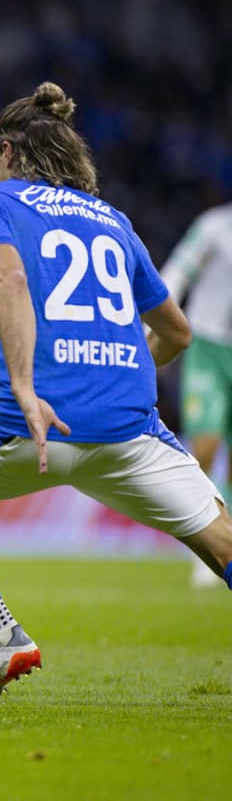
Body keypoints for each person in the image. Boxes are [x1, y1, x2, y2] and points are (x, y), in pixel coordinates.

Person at [0, 82, 232, 703]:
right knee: (221, 540)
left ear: (9, 151)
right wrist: (122, 375)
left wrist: (22, 385)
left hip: (26, 424)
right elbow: (176, 331)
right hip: (131, 433)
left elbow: (10, 273)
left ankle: (2, 633)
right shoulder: (114, 221)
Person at [159, 204, 232, 588]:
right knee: (204, 447)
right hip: (207, 348)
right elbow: (177, 271)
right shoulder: (214, 226)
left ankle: (226, 545)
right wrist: (152, 315)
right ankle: (203, 547)